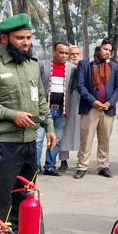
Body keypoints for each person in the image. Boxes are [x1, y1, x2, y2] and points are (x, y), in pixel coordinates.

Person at [0, 13, 56, 227]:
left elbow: (40, 100)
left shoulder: (32, 66)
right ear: (4, 39)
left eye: (28, 37)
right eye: (20, 38)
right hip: (3, 146)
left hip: (30, 145)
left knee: (25, 197)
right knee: (2, 202)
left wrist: (49, 126)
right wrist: (12, 115)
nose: (26, 42)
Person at [73, 38, 118, 179]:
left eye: (110, 50)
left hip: (107, 109)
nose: (107, 52)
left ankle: (103, 166)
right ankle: (82, 166)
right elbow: (80, 86)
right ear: (99, 49)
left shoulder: (115, 67)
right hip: (90, 107)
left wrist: (110, 102)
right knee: (86, 139)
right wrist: (93, 101)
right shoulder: (85, 64)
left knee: (105, 140)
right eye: (105, 49)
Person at [38, 41, 77, 176]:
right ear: (53, 51)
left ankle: (50, 166)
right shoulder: (43, 65)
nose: (64, 55)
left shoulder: (72, 68)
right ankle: (35, 166)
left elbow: (71, 88)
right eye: (61, 52)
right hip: (43, 110)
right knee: (38, 138)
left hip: (61, 110)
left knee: (57, 139)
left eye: (67, 53)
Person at [58, 45, 82, 172]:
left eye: (77, 54)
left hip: (81, 105)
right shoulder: (64, 69)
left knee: (82, 133)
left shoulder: (85, 68)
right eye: (72, 54)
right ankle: (63, 160)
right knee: (64, 133)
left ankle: (81, 160)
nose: (74, 56)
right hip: (66, 104)